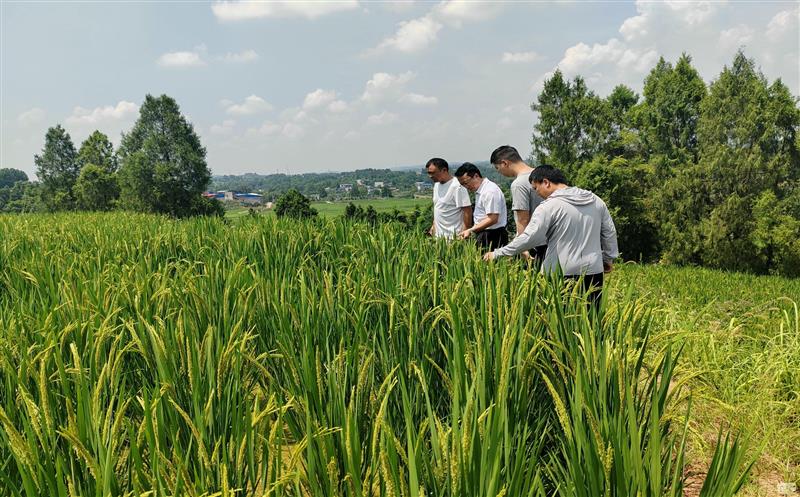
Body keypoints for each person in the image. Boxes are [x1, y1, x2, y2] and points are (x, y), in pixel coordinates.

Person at [482, 165, 618, 304]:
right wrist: (608, 259)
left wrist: (498, 253)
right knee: (590, 320)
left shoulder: (548, 207)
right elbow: (609, 233)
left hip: (559, 273)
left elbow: (529, 238)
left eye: (536, 188)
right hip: (593, 271)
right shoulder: (595, 200)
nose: (537, 193)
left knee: (559, 322)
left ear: (546, 182)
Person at [490, 145, 546, 260]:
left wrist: (523, 247)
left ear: (505, 163)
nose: (499, 172)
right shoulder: (543, 175)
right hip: (552, 238)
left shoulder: (519, 184)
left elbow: (522, 220)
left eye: (497, 168)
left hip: (535, 244)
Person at [454, 162, 508, 250]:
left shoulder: (489, 191)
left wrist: (470, 230)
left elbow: (493, 218)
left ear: (476, 176)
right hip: (484, 233)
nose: (466, 187)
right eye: (462, 185)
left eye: (466, 183)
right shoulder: (480, 190)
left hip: (493, 235)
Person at [426, 158, 473, 238]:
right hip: (439, 237)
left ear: (444, 170)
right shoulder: (437, 185)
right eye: (429, 173)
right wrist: (433, 228)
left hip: (454, 237)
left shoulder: (457, 186)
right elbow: (438, 208)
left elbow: (467, 211)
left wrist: (464, 233)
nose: (430, 176)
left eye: (433, 173)